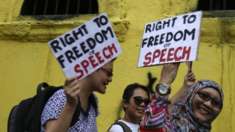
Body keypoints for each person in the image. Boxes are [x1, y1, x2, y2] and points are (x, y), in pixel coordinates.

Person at [140, 62, 224, 132]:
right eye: (204, 96)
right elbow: (151, 125)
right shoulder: (171, 127)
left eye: (216, 103)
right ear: (190, 96)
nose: (208, 104)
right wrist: (165, 81)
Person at [40, 61, 115, 132]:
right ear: (93, 68)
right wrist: (70, 106)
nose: (111, 79)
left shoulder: (93, 103)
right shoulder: (62, 97)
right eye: (109, 73)